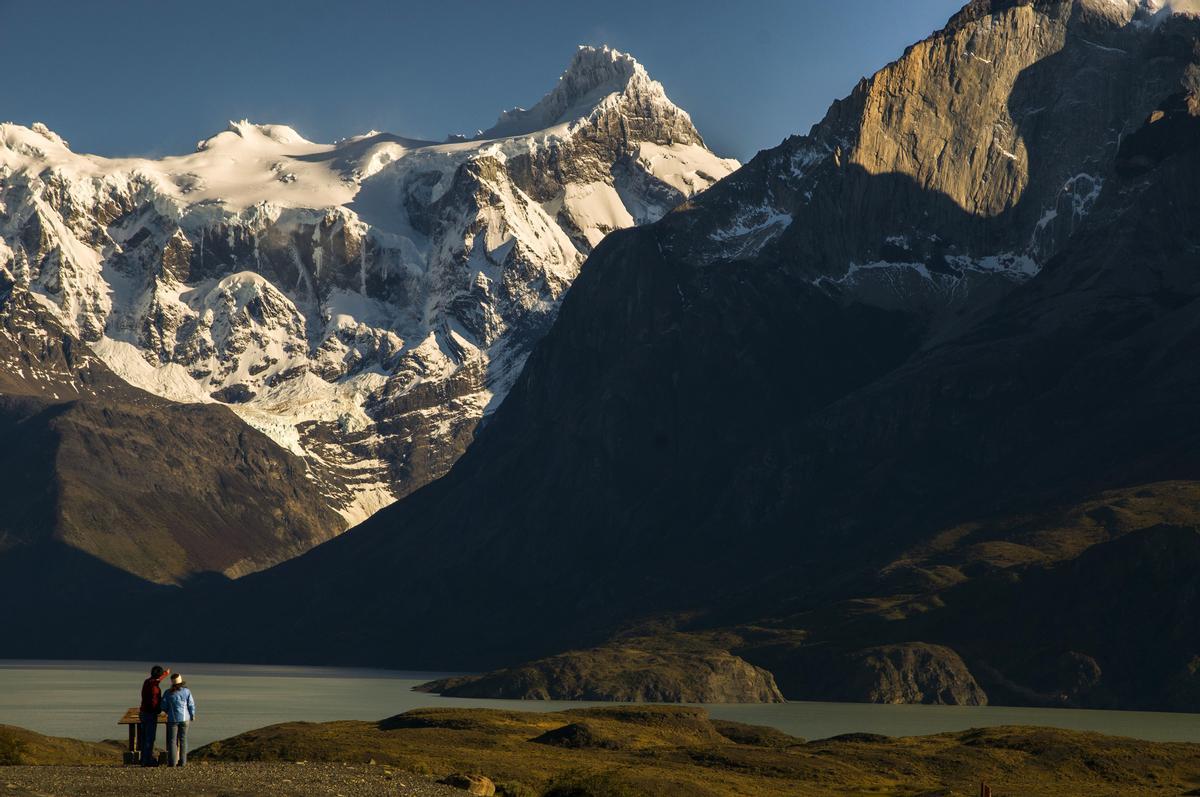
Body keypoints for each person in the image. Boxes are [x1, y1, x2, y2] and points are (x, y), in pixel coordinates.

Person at [162, 672, 196, 767]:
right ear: (181, 682)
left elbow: (163, 706)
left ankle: (172, 762)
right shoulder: (186, 691)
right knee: (183, 740)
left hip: (173, 719)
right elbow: (191, 704)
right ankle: (183, 762)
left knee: (172, 741)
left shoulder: (168, 693)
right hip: (185, 719)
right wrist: (192, 715)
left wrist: (168, 711)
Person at [139, 665, 170, 766]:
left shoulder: (147, 681)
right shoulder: (155, 689)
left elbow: (157, 679)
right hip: (150, 714)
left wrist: (165, 673)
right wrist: (159, 711)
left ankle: (143, 759)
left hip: (143, 713)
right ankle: (148, 761)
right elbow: (154, 703)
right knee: (149, 738)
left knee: (143, 738)